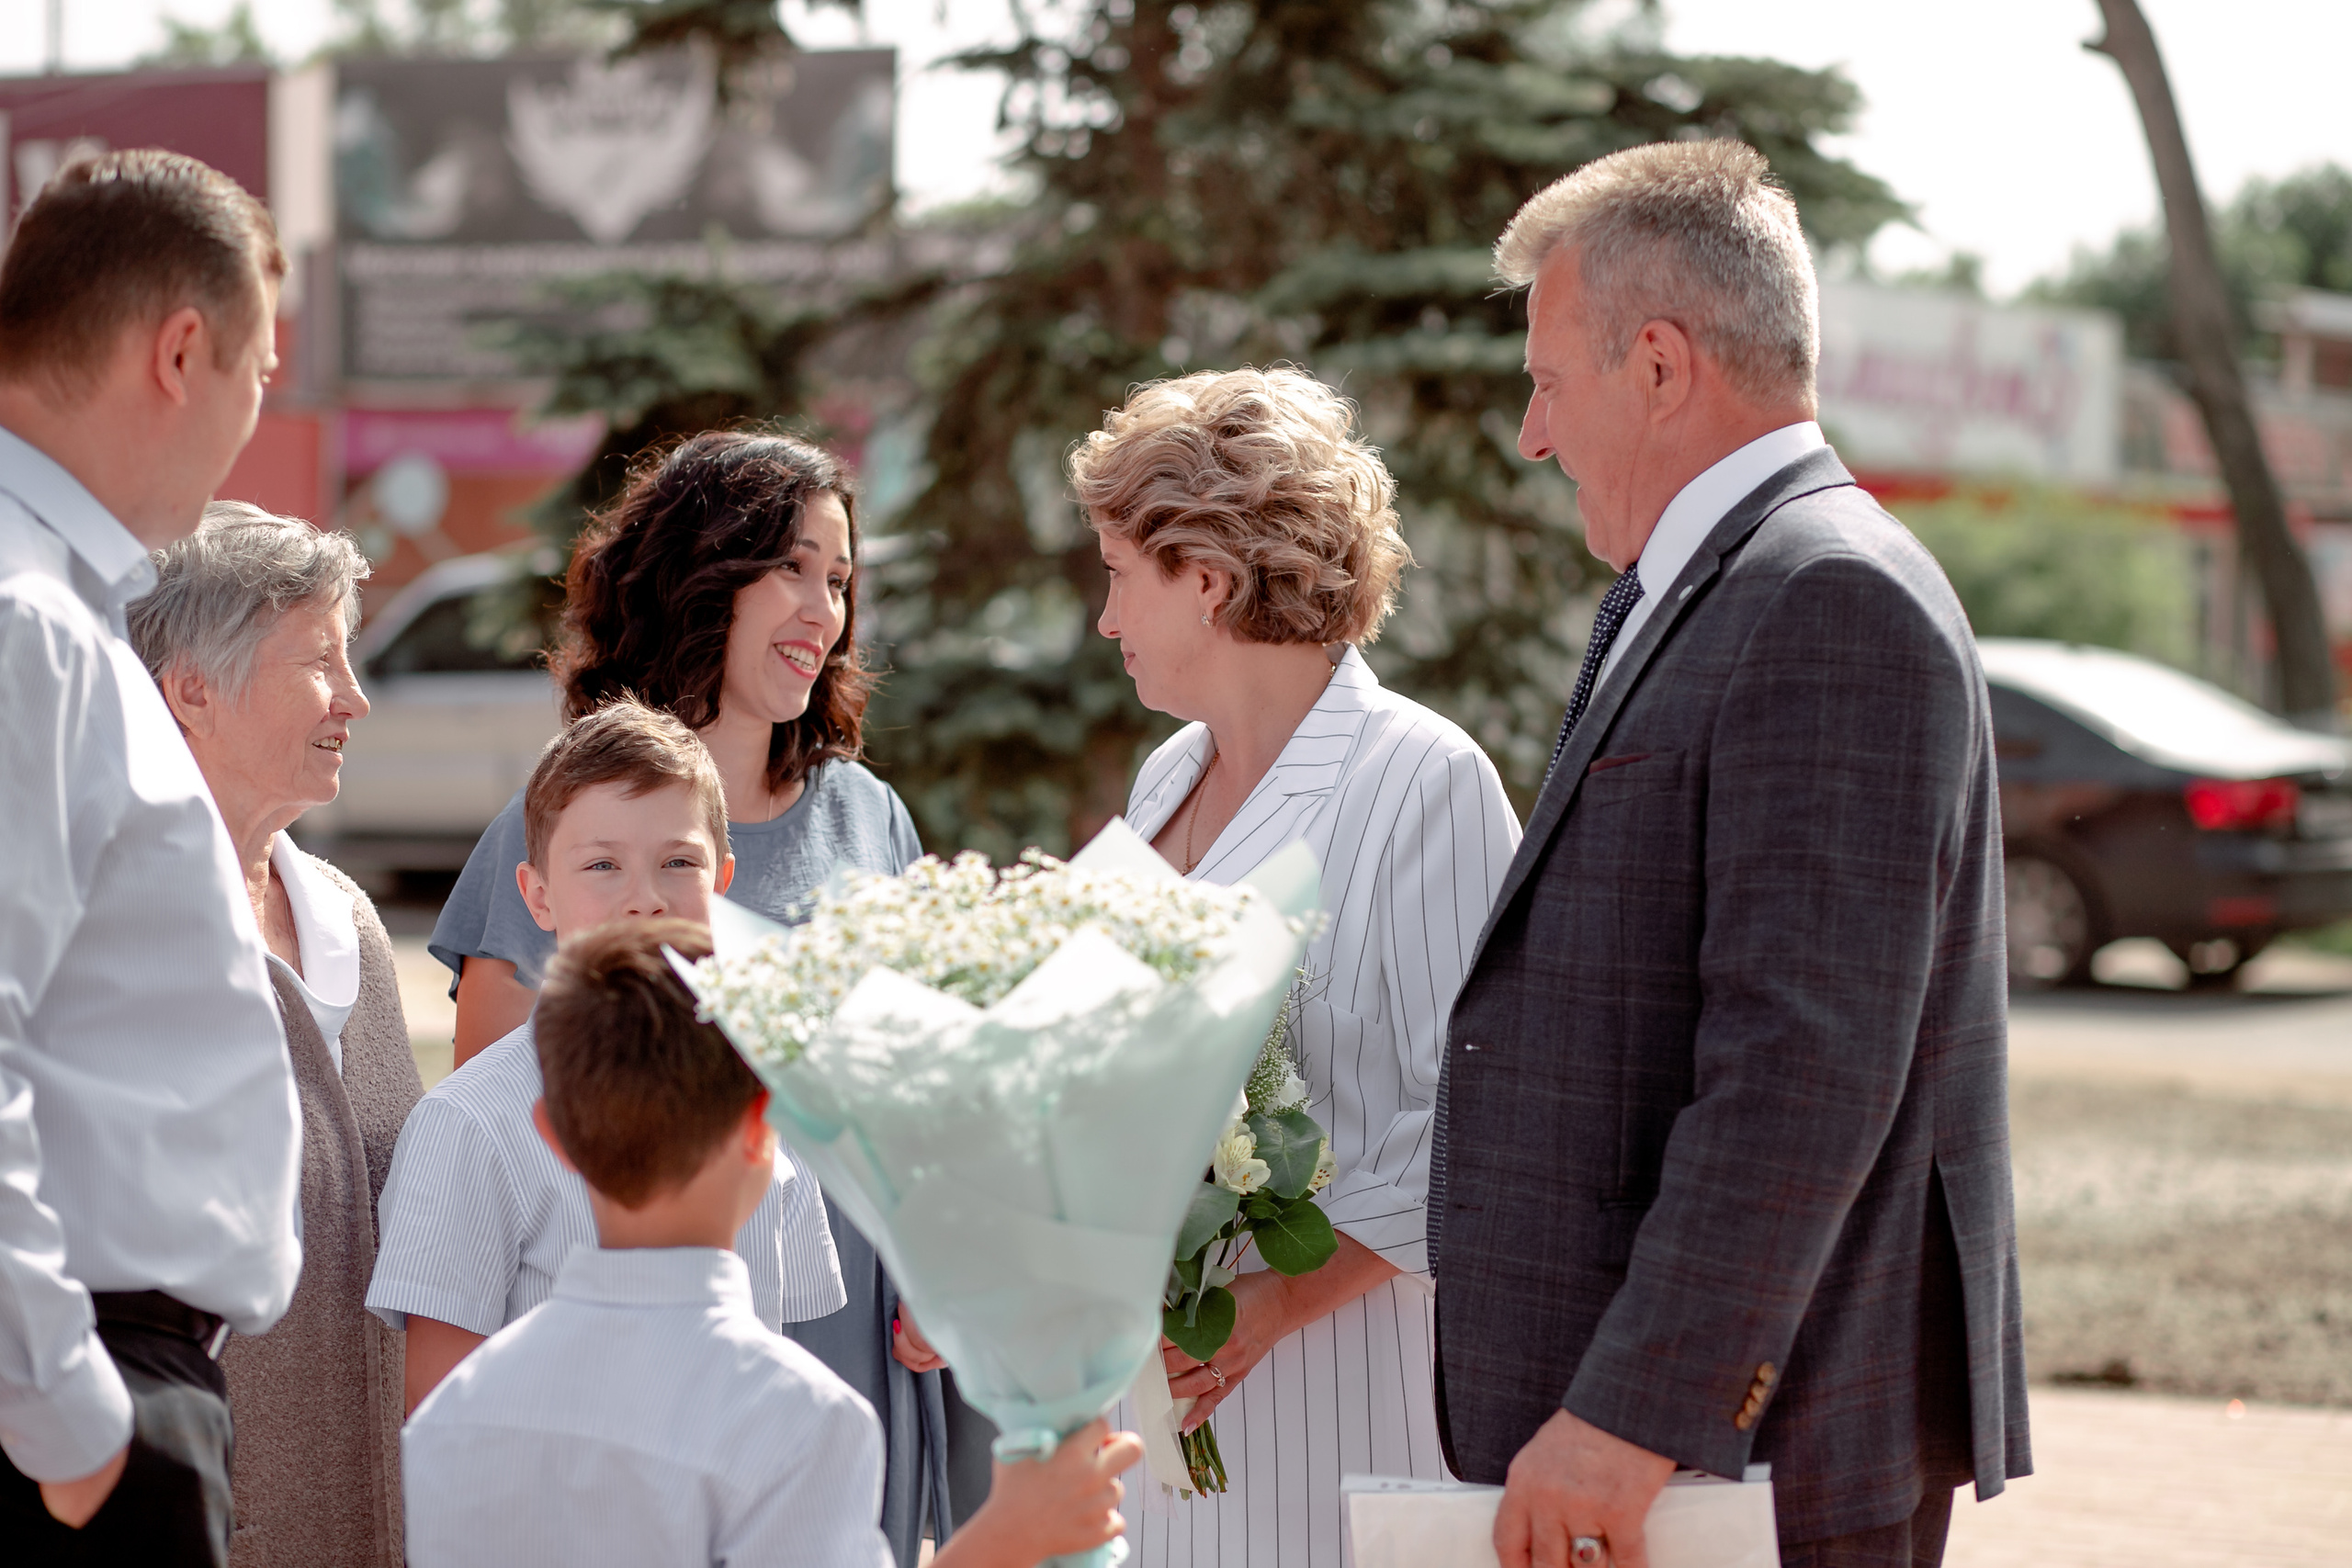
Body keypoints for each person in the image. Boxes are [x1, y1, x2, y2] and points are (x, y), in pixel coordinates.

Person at [1430, 140, 2030, 1568]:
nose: (1533, 431)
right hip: (1705, 1454)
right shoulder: (1733, 576)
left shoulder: (1826, 594)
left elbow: (1802, 1065)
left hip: (1761, 1456)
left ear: (1657, 365)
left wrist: (1637, 1409)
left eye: (1548, 379)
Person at [424, 429, 963, 1559]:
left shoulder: (870, 817)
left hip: (866, 1328)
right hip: (642, 1356)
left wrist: (941, 1271)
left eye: (841, 579)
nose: (825, 608)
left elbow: (924, 1092)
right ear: (702, 569)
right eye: (793, 568)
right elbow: (502, 1146)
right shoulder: (559, 831)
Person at [1068, 366, 1520, 1566]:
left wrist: (1265, 1309)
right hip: (1161, 1405)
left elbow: (1479, 1129)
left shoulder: (1424, 780)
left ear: (1205, 578)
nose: (1106, 618)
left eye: (1120, 575)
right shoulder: (1164, 778)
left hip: (1345, 1403)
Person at [402, 916, 1142, 1567]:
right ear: (765, 1128)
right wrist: (1009, 1535)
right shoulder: (797, 1419)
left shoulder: (453, 1413)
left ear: (554, 1135)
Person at [0, 151, 302, 1564]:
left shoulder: (51, 605)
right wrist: (68, 1419)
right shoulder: (29, 621)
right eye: (259, 371)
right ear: (182, 351)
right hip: (83, 1394)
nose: (260, 414)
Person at [367, 700, 844, 1414]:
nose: (645, 899)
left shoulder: (768, 1102)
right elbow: (440, 1419)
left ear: (721, 882)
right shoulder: (468, 1124)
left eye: (679, 862)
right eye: (602, 864)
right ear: (537, 894)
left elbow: (784, 1357)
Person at [126, 502, 424, 1568]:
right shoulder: (111, 930)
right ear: (191, 689)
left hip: (371, 1510)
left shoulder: (346, 918)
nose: (355, 699)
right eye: (320, 662)